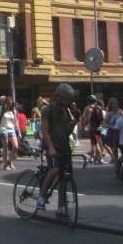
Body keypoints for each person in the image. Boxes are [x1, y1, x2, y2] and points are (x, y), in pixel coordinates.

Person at [37, 83, 80, 218]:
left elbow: (67, 131)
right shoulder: (48, 110)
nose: (66, 102)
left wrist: (73, 124)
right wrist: (50, 147)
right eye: (65, 99)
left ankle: (60, 208)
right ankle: (42, 198)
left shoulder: (66, 111)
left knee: (64, 177)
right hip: (53, 146)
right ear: (58, 96)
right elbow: (45, 130)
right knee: (55, 170)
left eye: (68, 100)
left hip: (64, 146)